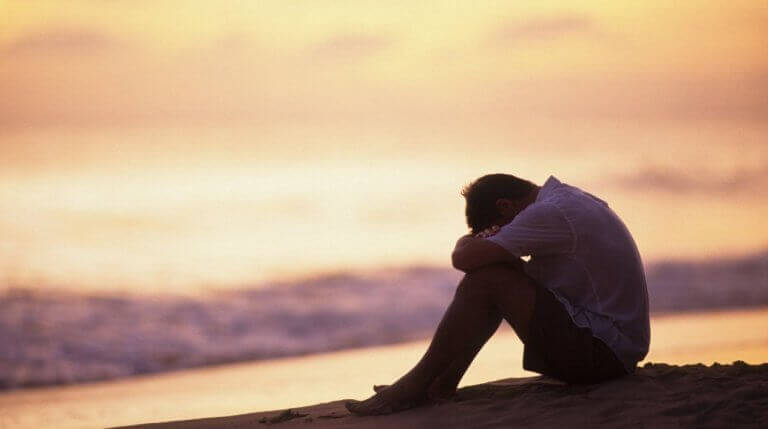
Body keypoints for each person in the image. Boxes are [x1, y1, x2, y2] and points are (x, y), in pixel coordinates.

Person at [345, 174, 650, 416]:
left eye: (493, 230)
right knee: (495, 271)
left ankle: (417, 385)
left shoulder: (549, 213)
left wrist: (468, 241)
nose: (496, 235)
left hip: (604, 356)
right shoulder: (566, 200)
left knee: (487, 279)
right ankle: (440, 383)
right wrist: (486, 245)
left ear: (505, 206)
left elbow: (463, 260)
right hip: (612, 346)